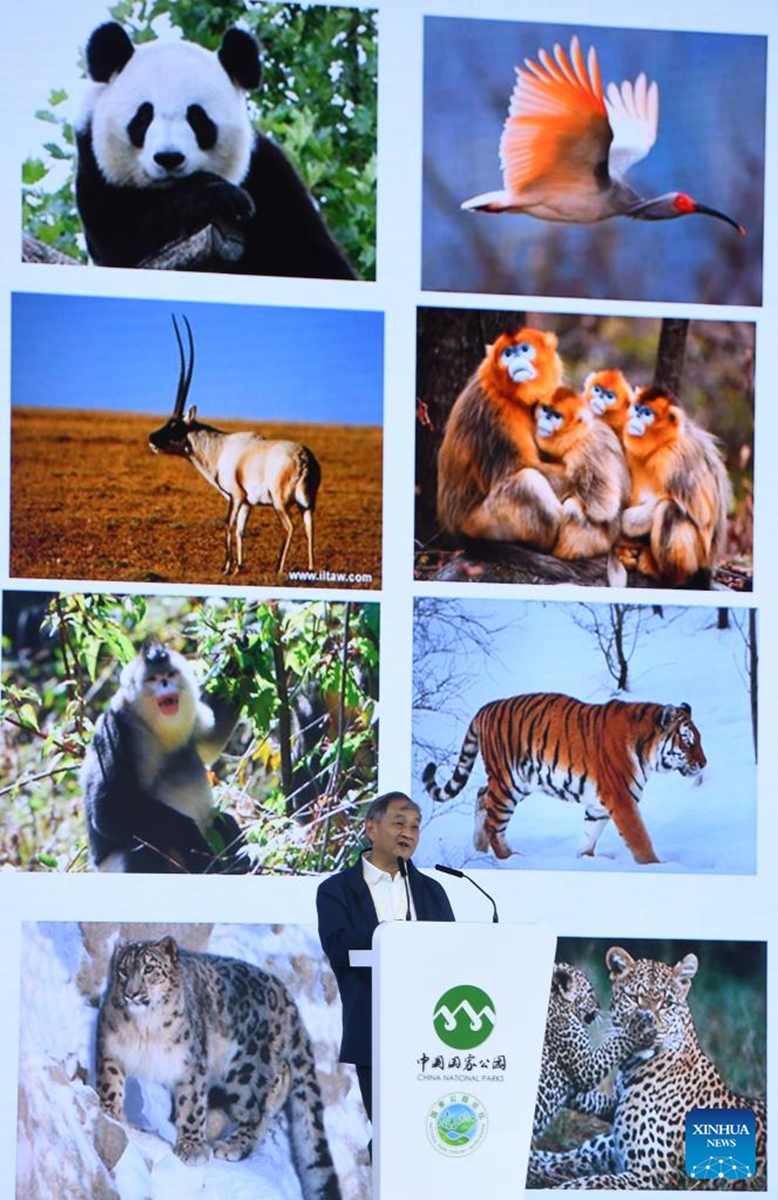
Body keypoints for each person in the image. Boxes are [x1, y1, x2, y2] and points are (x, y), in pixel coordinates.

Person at [316, 791, 455, 1124]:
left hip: (431, 1031)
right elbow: (338, 946)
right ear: (371, 829)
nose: (408, 832)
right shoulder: (336, 890)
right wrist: (392, 934)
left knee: (430, 1129)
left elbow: (453, 952)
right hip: (373, 1028)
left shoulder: (432, 890)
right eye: (399, 823)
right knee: (390, 1133)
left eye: (415, 826)